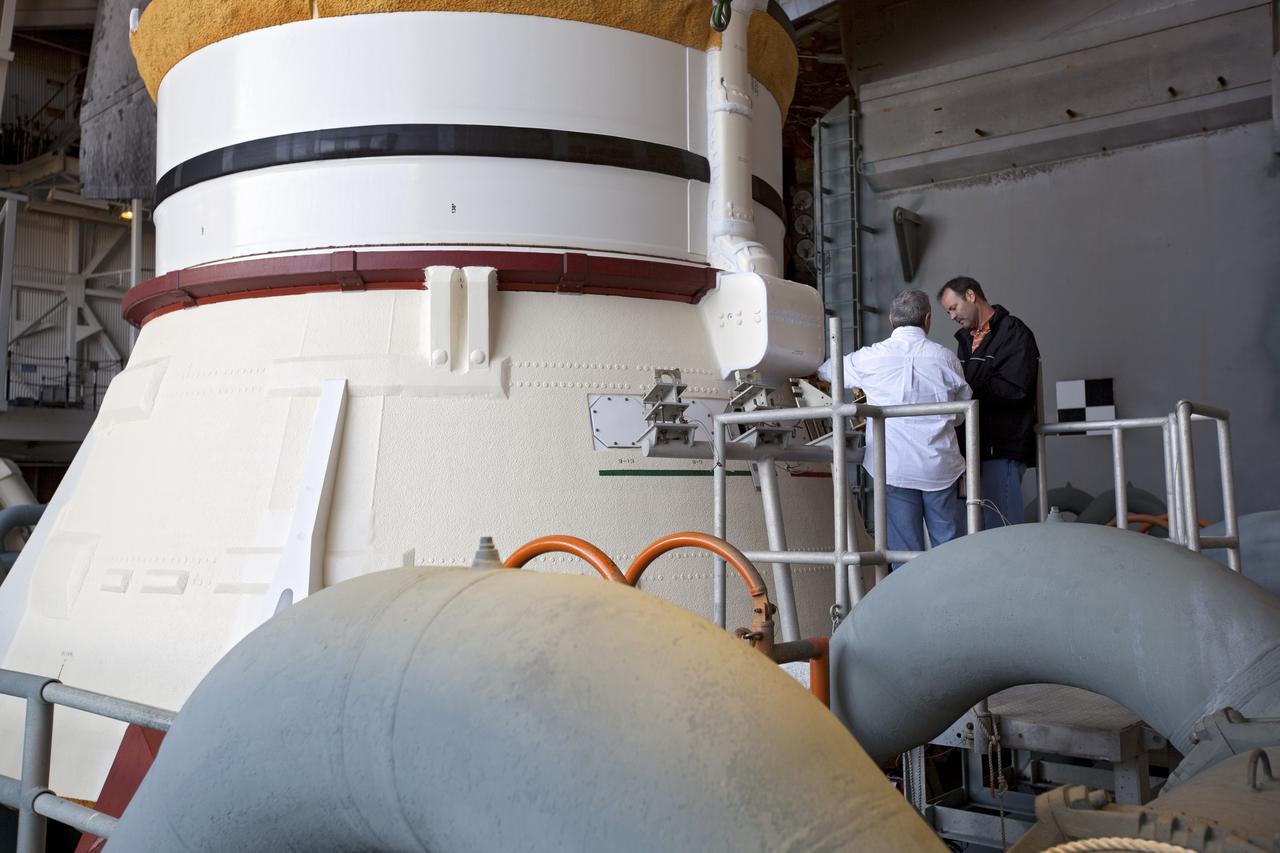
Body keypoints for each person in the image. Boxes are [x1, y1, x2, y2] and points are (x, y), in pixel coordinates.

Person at [817, 289, 972, 566]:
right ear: (928, 320)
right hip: (940, 469)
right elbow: (962, 411)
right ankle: (954, 605)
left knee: (904, 559)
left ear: (891, 319)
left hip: (893, 468)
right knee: (951, 554)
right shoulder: (945, 358)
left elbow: (828, 371)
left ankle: (909, 607)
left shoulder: (870, 357)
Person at [937, 276, 1040, 530]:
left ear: (971, 296)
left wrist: (966, 389)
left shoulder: (1013, 332)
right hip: (973, 453)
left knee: (1001, 532)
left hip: (1001, 450)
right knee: (980, 535)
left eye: (953, 308)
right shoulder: (965, 342)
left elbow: (1016, 389)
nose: (951, 316)